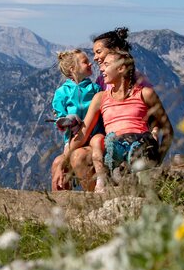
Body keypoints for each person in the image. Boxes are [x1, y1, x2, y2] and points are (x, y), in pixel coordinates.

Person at [68, 49, 173, 192]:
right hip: (113, 150)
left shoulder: (145, 94)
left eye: (106, 64)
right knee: (78, 156)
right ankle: (97, 199)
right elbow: (83, 133)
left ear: (121, 68)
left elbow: (167, 130)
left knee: (138, 147)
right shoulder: (100, 98)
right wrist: (63, 159)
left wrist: (158, 160)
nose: (101, 68)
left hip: (140, 146)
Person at [49, 49, 100, 190]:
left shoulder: (95, 88)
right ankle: (61, 205)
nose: (90, 63)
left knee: (67, 161)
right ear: (73, 69)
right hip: (72, 140)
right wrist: (67, 122)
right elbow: (60, 120)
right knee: (57, 163)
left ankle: (91, 199)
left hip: (94, 137)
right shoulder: (61, 93)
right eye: (85, 62)